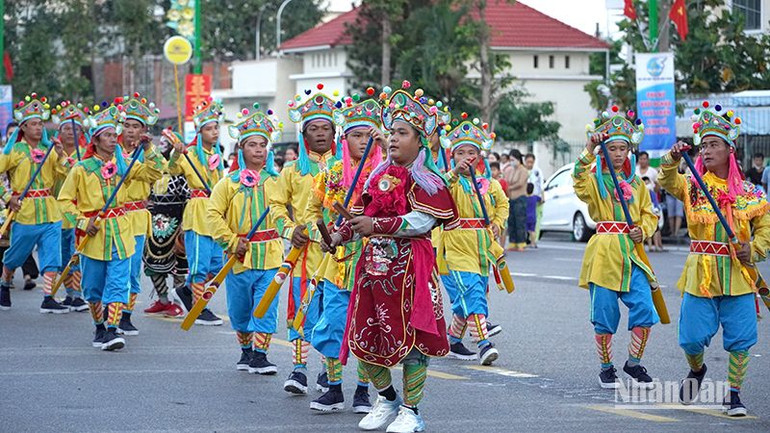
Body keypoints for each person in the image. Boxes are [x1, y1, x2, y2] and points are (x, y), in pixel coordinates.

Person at [325, 86, 458, 432]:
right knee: (366, 339)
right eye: (392, 133)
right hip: (372, 268)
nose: (393, 139)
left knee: (413, 344)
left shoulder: (429, 181)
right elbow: (358, 218)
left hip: (411, 268)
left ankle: (412, 410)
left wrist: (375, 224)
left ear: (420, 141)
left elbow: (422, 222)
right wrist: (340, 235)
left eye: (402, 133)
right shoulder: (375, 176)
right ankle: (386, 399)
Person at [660, 102, 769, 416]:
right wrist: (672, 159)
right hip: (702, 274)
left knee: (742, 338)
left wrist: (755, 248)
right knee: (691, 338)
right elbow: (667, 181)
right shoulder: (693, 186)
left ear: (729, 149)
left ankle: (734, 394)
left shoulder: (750, 192)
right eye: (703, 144)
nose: (706, 150)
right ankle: (696, 370)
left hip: (738, 274)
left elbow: (765, 226)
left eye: (714, 144)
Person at [57, 103, 165, 350]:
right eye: (107, 135)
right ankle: (99, 328)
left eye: (113, 135)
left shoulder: (125, 163)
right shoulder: (81, 169)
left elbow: (154, 173)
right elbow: (64, 201)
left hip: (122, 230)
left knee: (119, 282)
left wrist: (148, 148)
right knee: (93, 287)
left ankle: (113, 330)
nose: (113, 139)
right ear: (95, 140)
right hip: (93, 235)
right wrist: (83, 222)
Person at [306, 96, 384, 413]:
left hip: (378, 262)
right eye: (356, 135)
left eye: (368, 135)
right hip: (339, 265)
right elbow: (312, 212)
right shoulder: (333, 173)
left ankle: (363, 392)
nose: (362, 141)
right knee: (333, 325)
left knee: (370, 328)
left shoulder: (386, 173)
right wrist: (322, 235)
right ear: (345, 139)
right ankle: (334, 388)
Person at [574, 107, 660, 389]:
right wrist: (589, 148)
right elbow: (577, 178)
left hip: (632, 253)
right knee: (605, 316)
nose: (619, 153)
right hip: (604, 253)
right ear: (604, 151)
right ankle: (606, 368)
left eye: (623, 148)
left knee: (645, 308)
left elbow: (650, 214)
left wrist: (643, 230)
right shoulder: (595, 181)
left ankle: (633, 363)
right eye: (612, 148)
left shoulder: (638, 184)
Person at [205, 104, 284, 375]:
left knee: (266, 304)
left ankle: (261, 356)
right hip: (239, 254)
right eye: (253, 144)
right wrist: (229, 240)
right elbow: (212, 214)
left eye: (263, 144)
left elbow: (291, 211)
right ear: (242, 149)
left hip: (271, 253)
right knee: (240, 309)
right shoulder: (228, 183)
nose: (259, 150)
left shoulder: (279, 180)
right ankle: (246, 351)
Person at [272, 83, 336, 395]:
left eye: (326, 127)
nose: (321, 133)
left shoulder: (345, 169)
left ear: (335, 133)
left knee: (332, 315)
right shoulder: (291, 171)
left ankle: (328, 372)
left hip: (337, 254)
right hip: (304, 256)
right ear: (304, 134)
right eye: (314, 128)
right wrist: (289, 229)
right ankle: (299, 370)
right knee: (302, 311)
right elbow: (274, 206)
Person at [438, 118, 508, 365]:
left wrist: (498, 223)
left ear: (479, 156)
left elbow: (503, 204)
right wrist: (454, 173)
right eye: (460, 153)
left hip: (481, 246)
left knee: (468, 296)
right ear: (452, 155)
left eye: (471, 152)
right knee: (473, 294)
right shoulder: (451, 182)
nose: (466, 157)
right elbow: (437, 190)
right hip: (456, 245)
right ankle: (483, 344)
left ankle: (453, 340)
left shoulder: (490, 184)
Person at [0, 93, 69, 313]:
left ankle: (48, 297)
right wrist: (7, 197)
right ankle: (4, 282)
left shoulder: (50, 149)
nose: (39, 128)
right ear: (24, 127)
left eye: (41, 123)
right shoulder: (14, 151)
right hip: (25, 210)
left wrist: (60, 155)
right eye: (34, 124)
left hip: (50, 209)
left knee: (52, 255)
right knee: (16, 255)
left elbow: (64, 174)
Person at [168, 98, 226, 326]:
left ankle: (186, 291)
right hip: (199, 211)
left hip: (216, 211)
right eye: (209, 128)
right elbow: (171, 169)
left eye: (216, 127)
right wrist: (176, 153)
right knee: (200, 265)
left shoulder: (217, 155)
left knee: (217, 266)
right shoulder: (189, 153)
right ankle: (200, 307)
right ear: (200, 131)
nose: (214, 132)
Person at [116, 92, 165, 335]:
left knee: (133, 269)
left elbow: (156, 172)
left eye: (136, 126)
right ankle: (108, 311)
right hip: (113, 217)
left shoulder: (146, 153)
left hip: (136, 219)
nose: (131, 130)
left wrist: (148, 149)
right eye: (126, 125)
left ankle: (125, 315)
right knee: (115, 269)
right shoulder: (110, 152)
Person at [142, 131, 190, 317]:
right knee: (152, 261)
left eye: (166, 142)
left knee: (178, 263)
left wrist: (184, 224)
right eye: (160, 141)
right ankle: (163, 300)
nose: (161, 144)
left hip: (176, 220)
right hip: (155, 222)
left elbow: (187, 198)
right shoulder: (153, 167)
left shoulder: (180, 170)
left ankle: (178, 301)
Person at [51, 101, 89, 312]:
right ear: (59, 131)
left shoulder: (85, 154)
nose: (70, 132)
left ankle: (77, 294)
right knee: (64, 252)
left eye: (75, 129)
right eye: (66, 128)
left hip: (81, 210)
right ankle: (69, 293)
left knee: (79, 251)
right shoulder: (52, 153)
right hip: (58, 209)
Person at [503, 149, 528, 251]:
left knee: (520, 220)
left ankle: (521, 242)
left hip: (520, 198)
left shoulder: (523, 170)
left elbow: (520, 183)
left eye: (513, 159)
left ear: (518, 159)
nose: (511, 162)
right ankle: (512, 242)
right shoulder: (509, 169)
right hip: (510, 198)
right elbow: (505, 180)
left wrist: (509, 188)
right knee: (511, 220)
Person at [524, 153, 544, 242]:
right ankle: (526, 239)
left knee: (537, 219)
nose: (529, 164)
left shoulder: (537, 171)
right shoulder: (523, 171)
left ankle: (534, 240)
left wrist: (543, 197)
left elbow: (541, 185)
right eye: (528, 162)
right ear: (525, 161)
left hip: (537, 197)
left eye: (531, 162)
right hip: (525, 198)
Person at [642, 176, 665, 252]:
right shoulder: (641, 193)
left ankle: (657, 245)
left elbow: (656, 202)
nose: (646, 184)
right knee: (647, 229)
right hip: (644, 213)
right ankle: (650, 246)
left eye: (647, 182)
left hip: (653, 212)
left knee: (656, 230)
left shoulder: (652, 193)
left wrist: (656, 210)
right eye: (644, 182)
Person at [525, 183, 541, 248]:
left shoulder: (524, 198)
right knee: (532, 230)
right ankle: (533, 243)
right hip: (533, 216)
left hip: (525, 216)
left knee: (525, 231)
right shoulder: (535, 197)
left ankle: (524, 242)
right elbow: (542, 200)